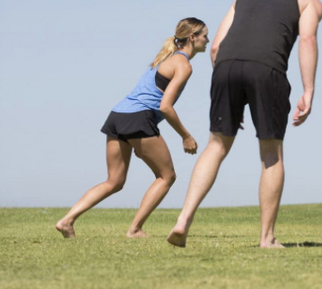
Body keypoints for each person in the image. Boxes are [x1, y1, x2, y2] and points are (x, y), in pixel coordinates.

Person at [167, 0, 322, 248]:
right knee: (271, 153)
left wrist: (232, 92)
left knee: (216, 145)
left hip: (225, 67)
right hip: (268, 70)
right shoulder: (308, 1)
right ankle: (266, 238)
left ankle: (183, 221)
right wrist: (309, 90)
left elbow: (215, 48)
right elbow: (307, 40)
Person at [55, 18, 209, 238]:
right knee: (167, 176)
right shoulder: (183, 65)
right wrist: (186, 136)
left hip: (117, 116)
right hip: (138, 119)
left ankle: (67, 220)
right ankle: (135, 229)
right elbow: (165, 106)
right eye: (205, 35)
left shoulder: (164, 58)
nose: (207, 40)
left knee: (114, 181)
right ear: (192, 37)